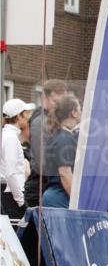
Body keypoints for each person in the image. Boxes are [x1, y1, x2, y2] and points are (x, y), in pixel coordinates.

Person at [24, 79, 67, 207]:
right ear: (44, 98)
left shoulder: (53, 120)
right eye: (55, 102)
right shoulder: (40, 121)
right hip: (39, 191)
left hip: (47, 188)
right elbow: (40, 161)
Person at [41, 94, 81, 208]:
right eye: (79, 108)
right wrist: (78, 203)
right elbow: (65, 173)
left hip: (54, 195)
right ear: (73, 112)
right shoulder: (65, 138)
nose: (81, 111)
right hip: (60, 197)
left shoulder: (58, 135)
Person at [1, 98, 35, 218]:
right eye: (25, 113)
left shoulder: (7, 135)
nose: (27, 117)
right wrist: (21, 201)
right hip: (12, 196)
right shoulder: (10, 138)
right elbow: (10, 173)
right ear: (18, 116)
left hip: (11, 194)